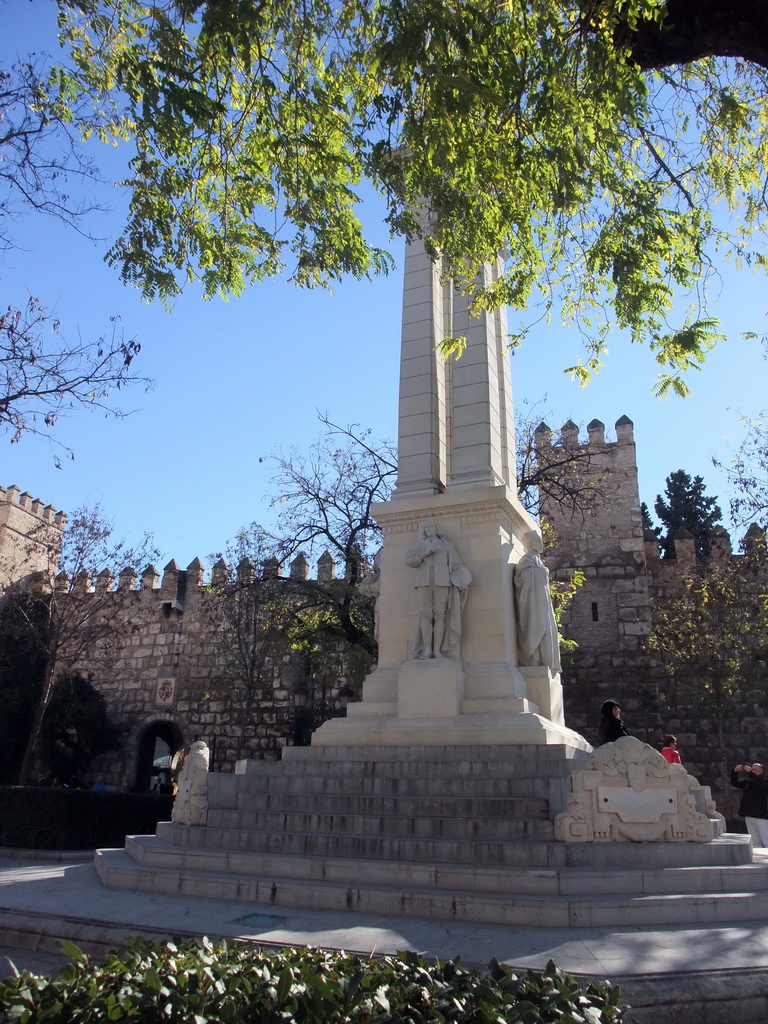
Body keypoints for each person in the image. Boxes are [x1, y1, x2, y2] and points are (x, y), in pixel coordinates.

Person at [406, 520, 471, 659]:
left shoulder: (446, 545)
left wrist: (463, 579)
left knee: (440, 615)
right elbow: (410, 562)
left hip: (442, 582)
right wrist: (425, 553)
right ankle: (427, 649)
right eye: (427, 527)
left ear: (436, 529)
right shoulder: (420, 546)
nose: (429, 529)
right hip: (423, 583)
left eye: (431, 526)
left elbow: (456, 565)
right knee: (426, 616)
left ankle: (437, 650)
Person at [514, 530, 561, 673]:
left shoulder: (537, 561)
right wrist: (542, 573)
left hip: (542, 605)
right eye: (537, 541)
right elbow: (523, 579)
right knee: (535, 630)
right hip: (533, 606)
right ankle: (534, 660)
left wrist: (542, 572)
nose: (541, 543)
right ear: (529, 543)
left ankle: (543, 662)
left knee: (547, 634)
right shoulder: (526, 559)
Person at [730, 762, 768, 848]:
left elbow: (759, 784)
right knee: (754, 841)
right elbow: (734, 783)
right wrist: (735, 772)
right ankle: (759, 858)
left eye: (755, 770)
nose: (752, 771)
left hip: (761, 816)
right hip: (749, 815)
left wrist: (750, 772)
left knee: (766, 840)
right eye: (752, 769)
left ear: (761, 771)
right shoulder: (748, 783)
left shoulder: (764, 782)